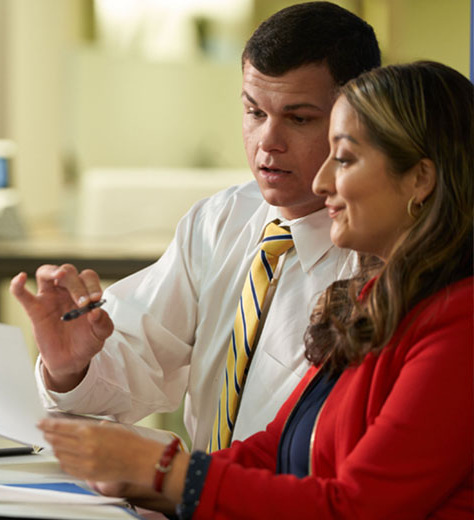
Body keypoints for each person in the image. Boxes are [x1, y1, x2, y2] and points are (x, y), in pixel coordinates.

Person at [38, 60, 474, 519]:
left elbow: (356, 507)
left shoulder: (458, 328)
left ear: (420, 179)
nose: (323, 181)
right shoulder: (376, 298)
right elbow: (276, 449)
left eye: (342, 158)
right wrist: (144, 476)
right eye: (254, 113)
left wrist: (164, 473)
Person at [11, 1, 381, 453]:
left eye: (299, 118)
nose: (268, 142)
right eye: (254, 113)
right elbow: (138, 360)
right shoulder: (220, 221)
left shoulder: (380, 248)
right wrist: (71, 366)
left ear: (356, 118)